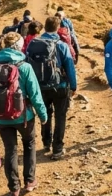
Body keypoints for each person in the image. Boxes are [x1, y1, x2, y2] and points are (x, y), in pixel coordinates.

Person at [0, 32, 49, 196]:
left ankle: (14, 189)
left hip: (0, 118)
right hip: (23, 116)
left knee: (10, 150)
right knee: (29, 145)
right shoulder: (25, 67)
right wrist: (43, 115)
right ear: (19, 47)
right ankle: (30, 180)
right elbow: (35, 94)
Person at [29, 16, 77, 159]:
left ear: (45, 27)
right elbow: (69, 66)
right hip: (60, 86)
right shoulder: (61, 45)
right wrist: (73, 86)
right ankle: (57, 149)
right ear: (57, 28)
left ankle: (46, 142)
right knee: (60, 116)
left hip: (40, 87)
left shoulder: (33, 44)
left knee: (45, 113)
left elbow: (27, 64)